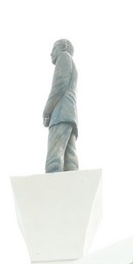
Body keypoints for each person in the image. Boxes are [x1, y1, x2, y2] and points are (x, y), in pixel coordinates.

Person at [43, 39, 78, 173]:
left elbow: (59, 86)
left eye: (54, 48)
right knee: (70, 159)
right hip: (70, 115)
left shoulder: (63, 57)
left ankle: (51, 184)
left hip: (60, 114)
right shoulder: (72, 64)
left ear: (63, 47)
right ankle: (74, 183)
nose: (51, 53)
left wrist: (47, 111)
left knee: (54, 156)